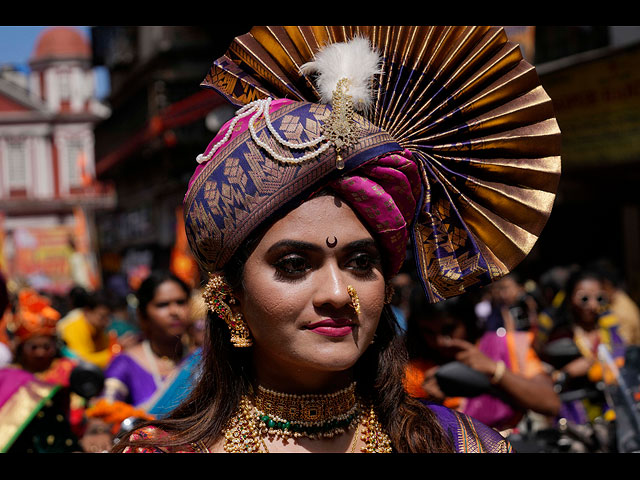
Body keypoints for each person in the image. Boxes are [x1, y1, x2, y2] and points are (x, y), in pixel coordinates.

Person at [113, 26, 561, 453]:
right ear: (230, 297)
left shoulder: (459, 443)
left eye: (361, 262)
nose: (336, 294)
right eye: (293, 265)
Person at [404, 291, 560, 432]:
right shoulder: (414, 370)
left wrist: (495, 371)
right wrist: (432, 404)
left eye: (449, 329)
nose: (440, 342)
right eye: (428, 332)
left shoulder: (506, 346)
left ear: (467, 321)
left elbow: (551, 404)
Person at [100, 271, 195, 415]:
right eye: (163, 305)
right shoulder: (125, 364)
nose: (175, 311)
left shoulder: (203, 359)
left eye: (181, 302)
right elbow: (105, 413)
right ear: (142, 314)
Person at [0, 289, 81, 452]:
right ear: (21, 349)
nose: (40, 353)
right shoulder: (8, 375)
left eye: (46, 347)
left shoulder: (68, 369)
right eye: (34, 347)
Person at [544, 268, 627, 425]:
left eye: (599, 298)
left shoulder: (610, 328)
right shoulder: (561, 334)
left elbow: (623, 356)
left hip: (612, 407)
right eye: (584, 298)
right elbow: (546, 377)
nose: (593, 304)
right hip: (575, 412)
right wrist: (567, 372)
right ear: (569, 298)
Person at [57, 288, 119, 369]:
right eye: (102, 317)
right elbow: (84, 361)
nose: (107, 322)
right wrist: (116, 353)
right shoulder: (74, 326)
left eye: (109, 317)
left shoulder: (96, 327)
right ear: (87, 311)